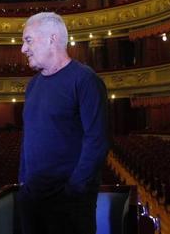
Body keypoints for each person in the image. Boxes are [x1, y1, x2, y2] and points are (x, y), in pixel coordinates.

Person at [18, 12, 109, 234]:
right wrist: (23, 181)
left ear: (52, 39)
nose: (23, 49)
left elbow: (97, 141)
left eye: (28, 40)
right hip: (33, 198)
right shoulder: (32, 85)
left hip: (69, 202)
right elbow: (29, 137)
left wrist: (74, 189)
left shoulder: (85, 80)